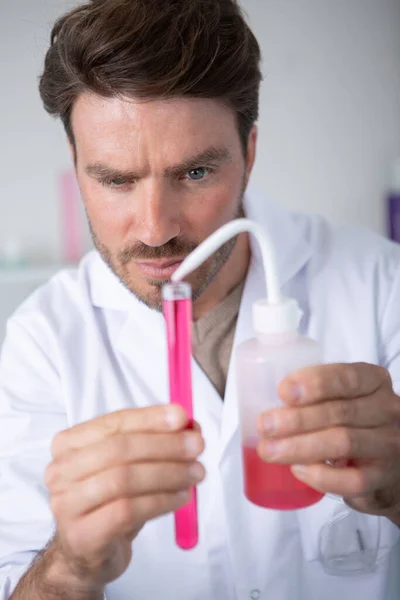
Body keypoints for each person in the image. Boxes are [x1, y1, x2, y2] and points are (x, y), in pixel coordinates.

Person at [0, 0, 399, 598]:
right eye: (115, 179)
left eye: (194, 174)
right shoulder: (44, 341)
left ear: (249, 154)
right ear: (77, 166)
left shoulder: (381, 285)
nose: (156, 229)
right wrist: (71, 567)